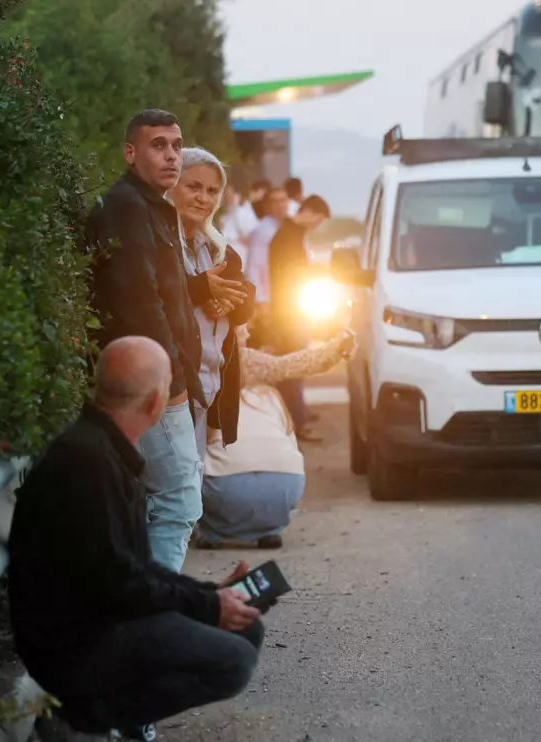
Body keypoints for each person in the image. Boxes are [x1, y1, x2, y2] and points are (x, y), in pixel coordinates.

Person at [9, 336, 265, 742]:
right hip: (74, 646)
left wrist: (212, 596)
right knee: (233, 661)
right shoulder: (87, 464)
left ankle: (101, 716)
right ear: (155, 404)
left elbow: (135, 571)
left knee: (244, 629)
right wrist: (206, 604)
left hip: (105, 619)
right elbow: (122, 584)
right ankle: (82, 719)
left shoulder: (102, 450)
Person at [86, 108, 204, 573]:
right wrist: (168, 382)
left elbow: (165, 292)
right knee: (178, 502)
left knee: (153, 502)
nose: (172, 155)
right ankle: (157, 610)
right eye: (158, 145)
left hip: (157, 378)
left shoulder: (150, 205)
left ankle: (146, 603)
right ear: (130, 153)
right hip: (151, 382)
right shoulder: (128, 206)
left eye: (176, 145)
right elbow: (139, 299)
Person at [196, 327, 356, 550]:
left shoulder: (197, 363)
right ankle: (269, 528)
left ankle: (212, 531)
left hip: (223, 485)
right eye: (243, 329)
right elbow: (292, 365)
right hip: (286, 483)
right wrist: (335, 349)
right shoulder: (252, 370)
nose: (249, 334)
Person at [168, 146, 256, 457]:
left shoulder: (219, 250)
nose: (203, 198)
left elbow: (245, 301)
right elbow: (152, 299)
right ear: (170, 185)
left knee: (192, 485)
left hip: (208, 391)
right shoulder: (158, 244)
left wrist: (229, 302)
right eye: (193, 187)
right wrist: (202, 290)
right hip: (168, 395)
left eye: (212, 191)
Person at [262, 194, 332, 441]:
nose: (317, 225)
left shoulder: (291, 234)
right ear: (310, 212)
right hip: (288, 312)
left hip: (290, 310)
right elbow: (287, 276)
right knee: (292, 367)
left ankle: (295, 418)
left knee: (292, 367)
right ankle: (295, 422)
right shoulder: (287, 237)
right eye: (319, 220)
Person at [240, 186, 291, 349]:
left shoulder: (290, 228)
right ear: (267, 206)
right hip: (269, 300)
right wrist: (261, 301)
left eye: (283, 200)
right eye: (275, 201)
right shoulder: (262, 231)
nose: (281, 205)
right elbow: (254, 267)